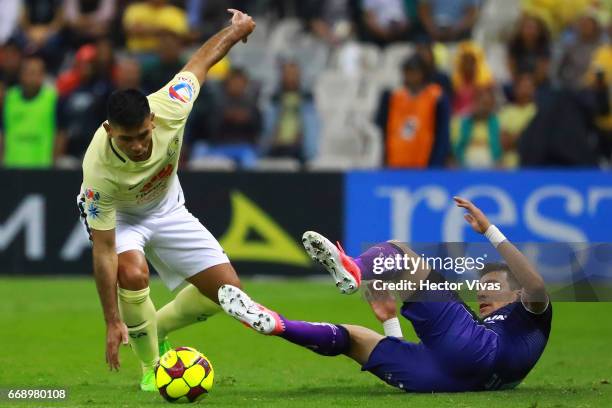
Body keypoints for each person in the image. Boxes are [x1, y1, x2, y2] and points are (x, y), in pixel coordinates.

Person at [77, 9, 255, 391]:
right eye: (127, 139)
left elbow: (202, 60)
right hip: (122, 217)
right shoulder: (98, 171)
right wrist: (112, 321)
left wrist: (237, 29)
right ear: (110, 131)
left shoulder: (171, 105)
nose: (139, 145)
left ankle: (150, 329)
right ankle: (151, 367)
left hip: (167, 206)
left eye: (143, 134)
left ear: (152, 121)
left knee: (227, 296)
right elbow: (104, 251)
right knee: (132, 272)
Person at [219, 197, 552, 393]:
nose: (482, 291)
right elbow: (442, 355)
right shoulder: (495, 329)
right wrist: (391, 320)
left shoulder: (529, 316)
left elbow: (536, 286)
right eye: (481, 285)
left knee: (400, 254)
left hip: (476, 359)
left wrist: (490, 231)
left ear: (516, 292)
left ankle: (356, 269)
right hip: (446, 379)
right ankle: (277, 324)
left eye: (492, 284)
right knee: (354, 339)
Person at [375, 54, 450, 168]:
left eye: (413, 72)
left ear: (423, 73)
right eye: (407, 72)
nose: (409, 76)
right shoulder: (394, 97)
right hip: (397, 161)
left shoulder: (436, 96)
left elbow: (442, 132)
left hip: (425, 162)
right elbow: (384, 127)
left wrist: (436, 162)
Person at [1, 56, 64, 168]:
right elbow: (2, 132)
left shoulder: (53, 99)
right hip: (11, 168)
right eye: (27, 72)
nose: (30, 77)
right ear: (20, 75)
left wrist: (54, 162)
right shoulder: (9, 98)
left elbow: (60, 134)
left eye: (34, 73)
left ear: (42, 76)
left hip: (42, 168)